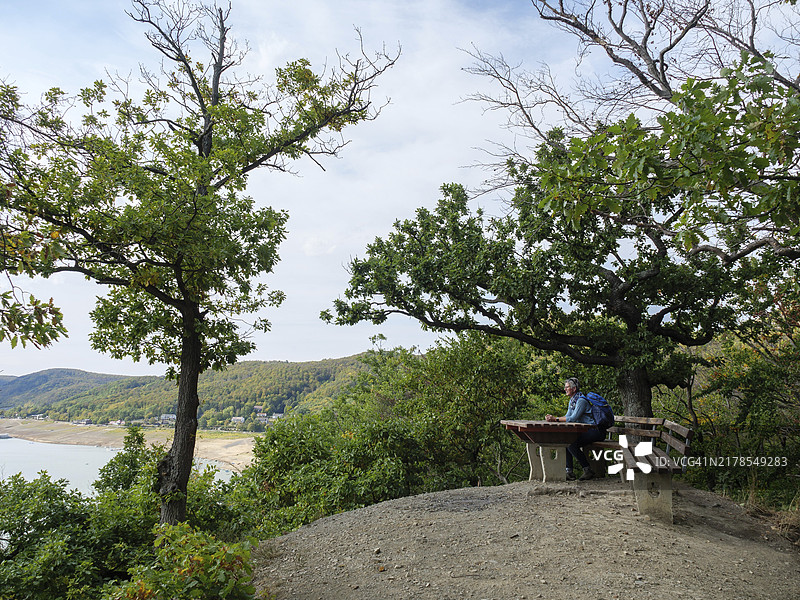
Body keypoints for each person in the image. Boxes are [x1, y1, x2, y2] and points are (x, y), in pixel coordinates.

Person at [545, 377, 605, 480]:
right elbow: (568, 416)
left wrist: (556, 419)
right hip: (587, 431)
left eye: (567, 387)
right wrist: (554, 419)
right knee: (566, 441)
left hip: (596, 431)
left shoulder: (581, 400)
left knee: (571, 443)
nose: (565, 389)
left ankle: (587, 470)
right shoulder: (573, 401)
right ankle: (569, 472)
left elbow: (573, 418)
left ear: (574, 388)